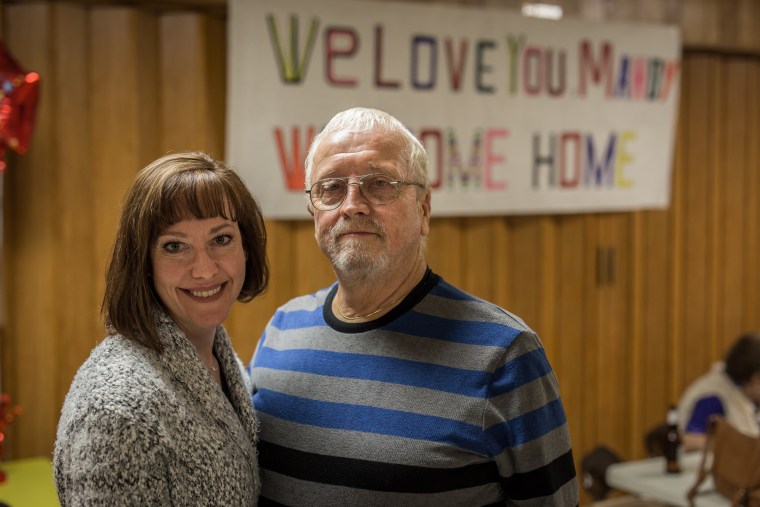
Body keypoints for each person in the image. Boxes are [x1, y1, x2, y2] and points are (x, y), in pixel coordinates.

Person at [249, 107, 579, 505]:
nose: (352, 204)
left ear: (423, 210)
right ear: (313, 211)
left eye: (379, 183)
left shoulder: (505, 354)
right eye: (331, 188)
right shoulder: (283, 329)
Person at [53, 152, 269, 505]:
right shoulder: (117, 410)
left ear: (246, 247)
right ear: (145, 263)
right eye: (174, 246)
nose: (204, 270)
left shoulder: (215, 356)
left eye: (221, 239)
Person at [677, 332, 760, 451]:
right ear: (756, 379)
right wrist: (737, 446)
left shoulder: (748, 392)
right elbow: (689, 440)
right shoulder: (712, 398)